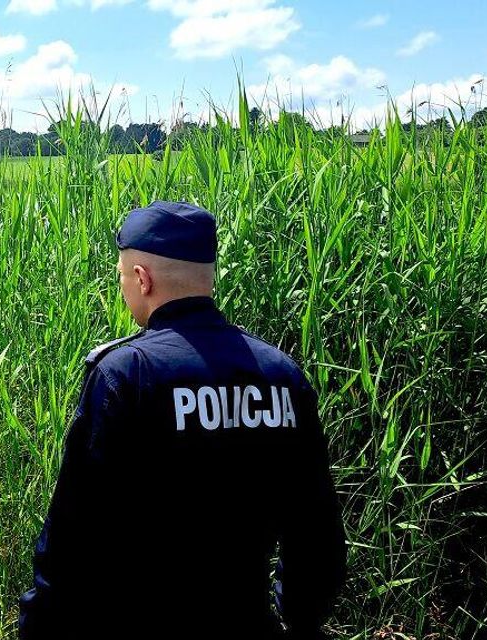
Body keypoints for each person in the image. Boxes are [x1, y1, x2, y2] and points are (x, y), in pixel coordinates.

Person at [18, 201, 346, 639]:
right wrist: (298, 621)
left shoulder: (127, 375)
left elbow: (73, 541)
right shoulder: (282, 376)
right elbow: (316, 537)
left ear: (142, 278)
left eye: (121, 276)